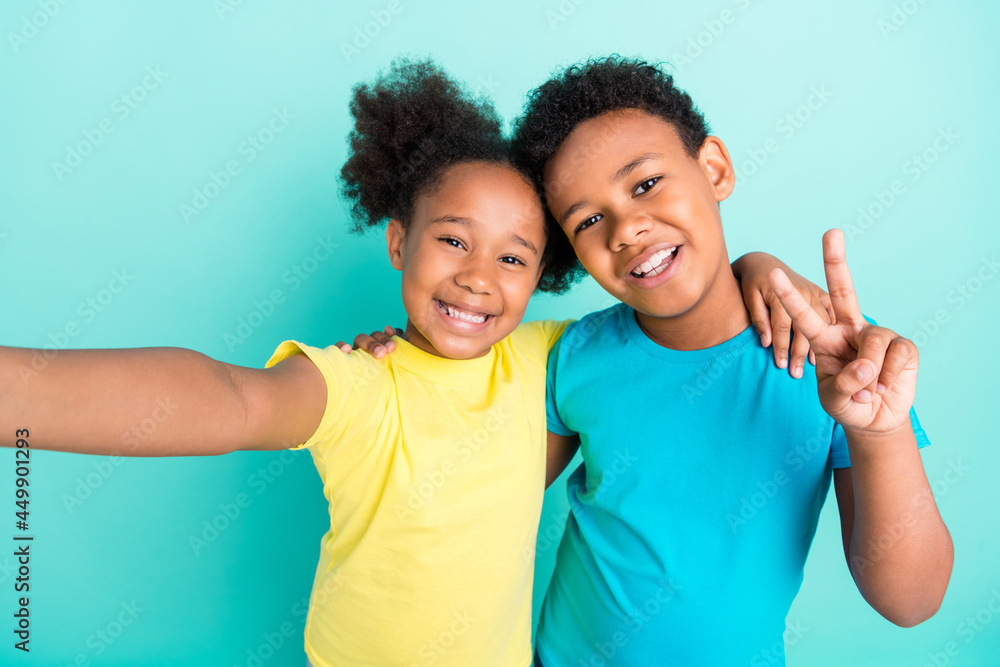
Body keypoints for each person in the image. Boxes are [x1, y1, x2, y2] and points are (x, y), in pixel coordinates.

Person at [0, 59, 824, 667]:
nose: (477, 276)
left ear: (542, 276)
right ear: (399, 241)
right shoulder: (358, 382)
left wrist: (759, 269)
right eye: (453, 240)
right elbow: (231, 399)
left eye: (513, 257)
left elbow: (675, 318)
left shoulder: (552, 357)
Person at [508, 56, 953, 666]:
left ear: (714, 169)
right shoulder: (576, 357)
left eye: (645, 184)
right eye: (588, 219)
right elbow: (484, 499)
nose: (626, 229)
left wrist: (880, 433)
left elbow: (912, 601)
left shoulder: (838, 361)